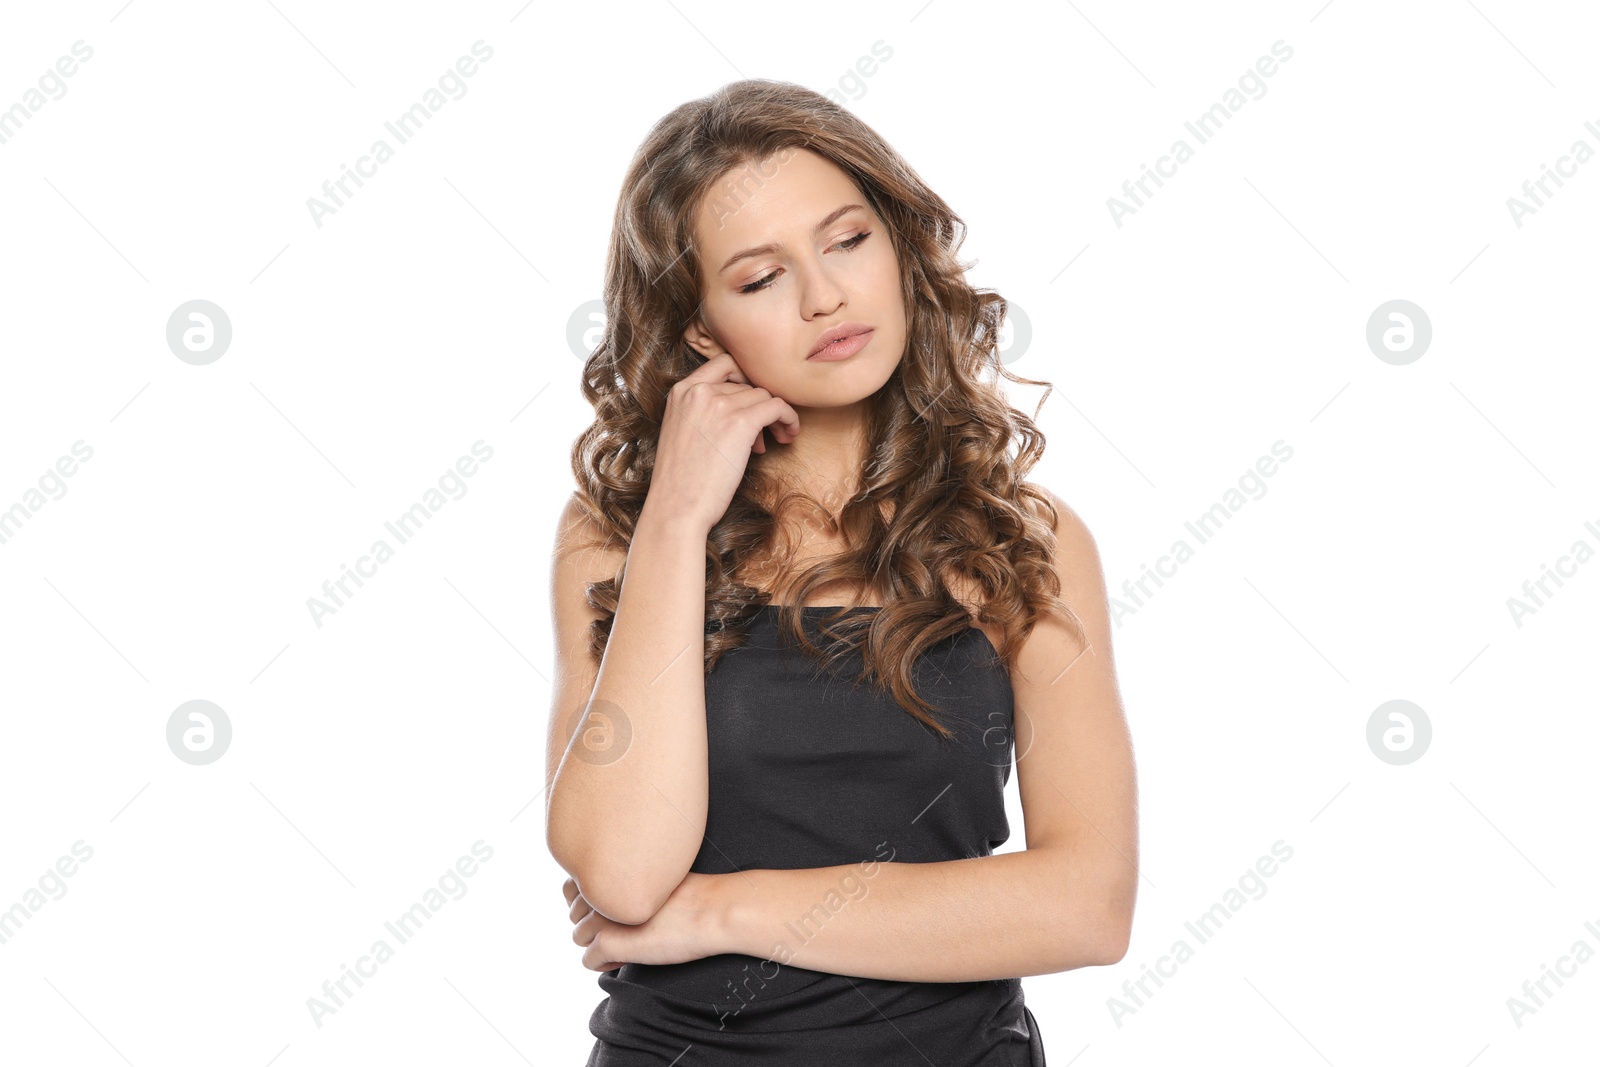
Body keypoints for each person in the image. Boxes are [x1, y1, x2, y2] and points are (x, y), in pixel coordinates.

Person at [546, 78, 1138, 1065]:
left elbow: (1087, 904)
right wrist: (678, 516)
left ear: (897, 246)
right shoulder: (616, 534)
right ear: (701, 330)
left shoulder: (1021, 540)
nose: (825, 295)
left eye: (847, 239)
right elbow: (620, 868)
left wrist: (722, 910)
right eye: (758, 277)